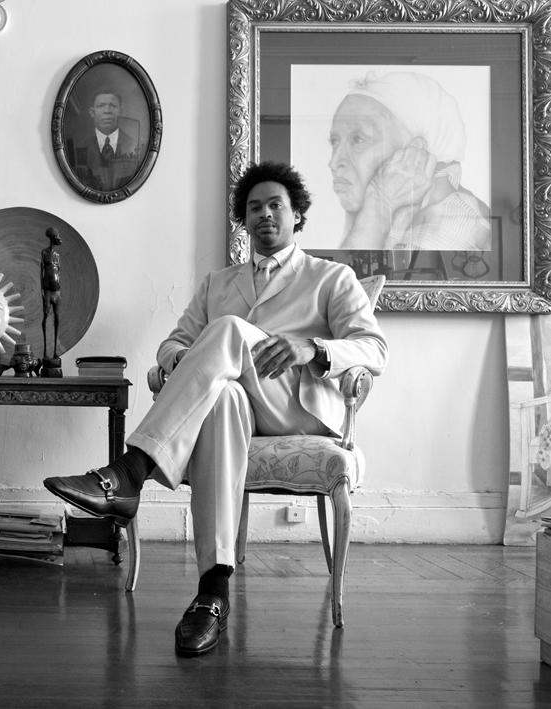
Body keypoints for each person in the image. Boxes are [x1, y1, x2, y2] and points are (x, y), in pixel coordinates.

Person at [44, 161, 388, 656]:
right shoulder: (217, 283)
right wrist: (189, 363)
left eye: (276, 206)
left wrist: (311, 348)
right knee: (222, 395)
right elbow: (171, 345)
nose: (265, 214)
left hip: (297, 406)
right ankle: (213, 593)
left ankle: (129, 471)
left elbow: (375, 350)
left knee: (227, 330)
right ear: (244, 222)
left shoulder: (331, 278)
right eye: (254, 208)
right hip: (237, 406)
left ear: (298, 217)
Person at [328, 71, 491, 251]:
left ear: (415, 152)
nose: (334, 162)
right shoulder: (398, 213)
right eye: (334, 142)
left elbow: (347, 276)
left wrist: (377, 207)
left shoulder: (457, 225)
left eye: (358, 139)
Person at [68, 88, 141, 192]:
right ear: (92, 112)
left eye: (113, 106)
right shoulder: (80, 146)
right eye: (101, 106)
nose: (107, 111)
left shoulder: (133, 145)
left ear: (121, 111)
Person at [40, 227, 63, 367]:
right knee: (45, 318)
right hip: (48, 291)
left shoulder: (57, 256)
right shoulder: (44, 253)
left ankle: (55, 351)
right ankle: (45, 352)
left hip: (57, 292)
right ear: (52, 237)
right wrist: (41, 291)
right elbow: (41, 272)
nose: (58, 238)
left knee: (57, 319)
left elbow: (58, 272)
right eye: (56, 236)